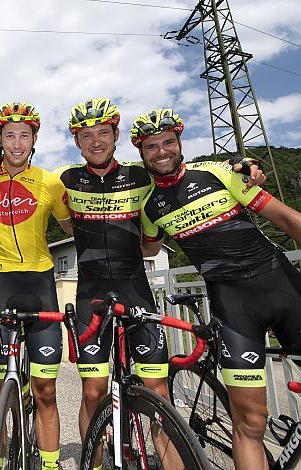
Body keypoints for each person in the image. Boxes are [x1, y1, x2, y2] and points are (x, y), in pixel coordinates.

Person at [135, 108, 301, 470]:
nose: (161, 152)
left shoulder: (219, 172)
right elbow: (148, 247)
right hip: (233, 307)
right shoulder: (149, 206)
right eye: (151, 147)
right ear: (142, 153)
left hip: (283, 286)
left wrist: (245, 163)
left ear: (180, 143)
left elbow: (287, 219)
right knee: (251, 422)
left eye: (167, 142)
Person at [53, 99, 174, 468]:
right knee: (93, 391)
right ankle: (94, 460)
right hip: (91, 295)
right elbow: (56, 214)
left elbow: (181, 171)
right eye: (86, 135)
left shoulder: (143, 176)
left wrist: (238, 164)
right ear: (77, 142)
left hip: (136, 289)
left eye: (103, 132)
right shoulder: (65, 179)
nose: (96, 141)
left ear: (116, 135)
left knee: (158, 392)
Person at [0, 102, 72, 470]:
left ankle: (49, 464)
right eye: (9, 135)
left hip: (41, 284)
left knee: (45, 391)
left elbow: (71, 228)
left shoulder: (50, 181)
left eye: (24, 135)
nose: (17, 143)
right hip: (2, 284)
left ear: (34, 139)